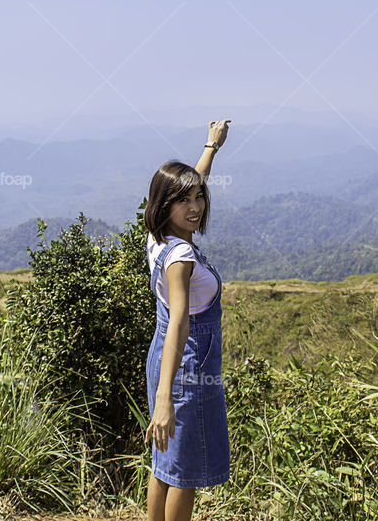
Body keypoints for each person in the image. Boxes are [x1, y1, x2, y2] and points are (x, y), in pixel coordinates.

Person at [143, 119, 231, 521]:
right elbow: (179, 320)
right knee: (186, 472)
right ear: (165, 206)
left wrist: (211, 146)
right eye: (184, 201)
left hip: (163, 358)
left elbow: (193, 181)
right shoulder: (180, 258)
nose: (195, 206)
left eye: (199, 197)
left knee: (165, 460)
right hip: (186, 364)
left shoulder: (159, 238)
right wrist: (165, 399)